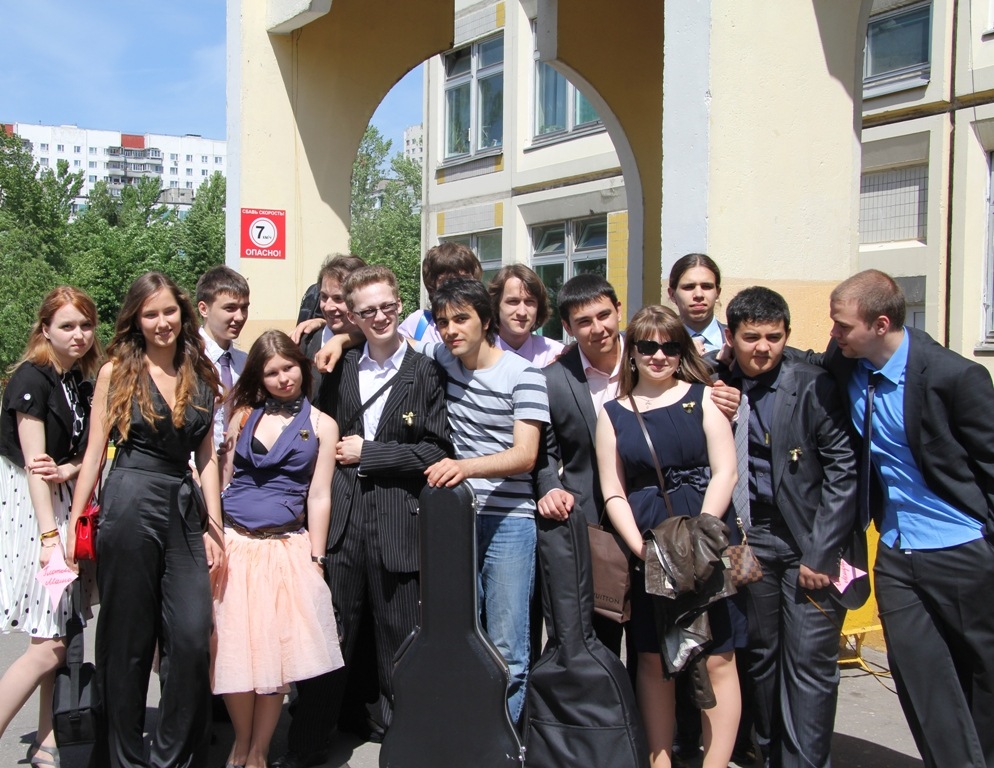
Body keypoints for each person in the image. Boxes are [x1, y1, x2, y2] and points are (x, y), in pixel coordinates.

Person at [824, 269, 994, 768]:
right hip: (896, 551)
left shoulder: (954, 377)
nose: (834, 334)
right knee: (919, 676)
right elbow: (806, 363)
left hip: (962, 548)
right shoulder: (846, 362)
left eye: (842, 326)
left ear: (880, 324)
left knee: (982, 671)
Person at [67, 271, 225, 768]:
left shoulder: (202, 373)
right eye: (150, 314)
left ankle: (172, 757)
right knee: (127, 642)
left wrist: (214, 528)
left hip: (183, 505)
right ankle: (124, 757)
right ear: (136, 319)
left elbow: (207, 457)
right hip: (130, 500)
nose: (162, 322)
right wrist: (73, 524)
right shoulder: (117, 371)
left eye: (169, 311)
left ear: (183, 312)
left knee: (193, 637)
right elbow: (95, 452)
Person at [595, 305, 741, 768]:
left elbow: (725, 471)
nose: (659, 356)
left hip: (706, 540)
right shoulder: (613, 413)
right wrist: (640, 547)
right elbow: (613, 490)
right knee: (654, 658)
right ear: (633, 353)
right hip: (649, 544)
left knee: (717, 656)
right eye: (648, 346)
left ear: (682, 351)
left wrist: (702, 535)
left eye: (670, 346)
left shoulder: (706, 398)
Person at [723, 287, 862, 768]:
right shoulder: (718, 384)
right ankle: (768, 753)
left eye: (774, 337)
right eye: (751, 337)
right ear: (731, 337)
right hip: (750, 540)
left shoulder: (812, 385)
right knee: (760, 656)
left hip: (809, 540)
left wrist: (821, 554)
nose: (763, 348)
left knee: (809, 663)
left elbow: (844, 472)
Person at [421, 277, 550, 725]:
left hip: (510, 521)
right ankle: (466, 733)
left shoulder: (524, 374)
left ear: (486, 320)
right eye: (443, 322)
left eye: (461, 319)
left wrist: (465, 467)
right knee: (457, 634)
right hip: (457, 520)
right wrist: (337, 338)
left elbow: (525, 455)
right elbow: (392, 343)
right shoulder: (443, 358)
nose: (451, 330)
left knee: (508, 644)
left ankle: (502, 741)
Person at [213, 330, 343, 768]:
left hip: (285, 548)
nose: (283, 378)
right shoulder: (241, 417)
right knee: (233, 654)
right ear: (259, 377)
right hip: (235, 546)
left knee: (275, 658)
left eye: (289, 367)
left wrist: (317, 558)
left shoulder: (322, 424)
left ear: (301, 367)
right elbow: (224, 478)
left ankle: (259, 751)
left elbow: (319, 495)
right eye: (272, 372)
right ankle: (241, 742)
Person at [0, 286, 101, 768]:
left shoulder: (77, 379)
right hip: (34, 515)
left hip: (60, 508)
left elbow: (83, 454)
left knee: (56, 633)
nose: (79, 334)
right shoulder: (32, 378)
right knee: (49, 647)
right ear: (45, 329)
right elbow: (34, 467)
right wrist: (48, 540)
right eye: (67, 326)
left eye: (85, 325)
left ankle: (47, 741)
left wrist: (71, 467)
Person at [535, 273, 627, 654]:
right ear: (568, 327)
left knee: (655, 649)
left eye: (604, 315)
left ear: (618, 310)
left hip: (654, 519)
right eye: (584, 322)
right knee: (600, 643)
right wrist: (550, 486)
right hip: (593, 528)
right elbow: (543, 451)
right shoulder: (553, 379)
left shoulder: (651, 358)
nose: (598, 328)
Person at [195, 265, 250, 459]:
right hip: (194, 467)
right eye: (230, 308)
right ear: (204, 309)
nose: (240, 317)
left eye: (244, 308)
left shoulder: (246, 363)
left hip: (235, 467)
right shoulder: (187, 358)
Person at [295, 254, 367, 395]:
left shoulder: (374, 348)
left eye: (338, 298)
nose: (328, 307)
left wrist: (343, 339)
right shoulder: (305, 342)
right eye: (323, 297)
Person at [397, 242, 482, 343]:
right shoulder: (418, 324)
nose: (455, 288)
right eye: (446, 282)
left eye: (462, 280)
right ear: (432, 286)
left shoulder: (489, 327)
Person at [488, 264, 565, 366]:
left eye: (529, 302)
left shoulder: (554, 355)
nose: (522, 312)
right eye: (513, 301)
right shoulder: (476, 355)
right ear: (495, 305)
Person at [668, 253, 724, 360]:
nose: (698, 294)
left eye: (706, 286)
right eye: (689, 287)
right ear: (672, 295)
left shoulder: (736, 341)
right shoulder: (658, 343)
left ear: (717, 293)